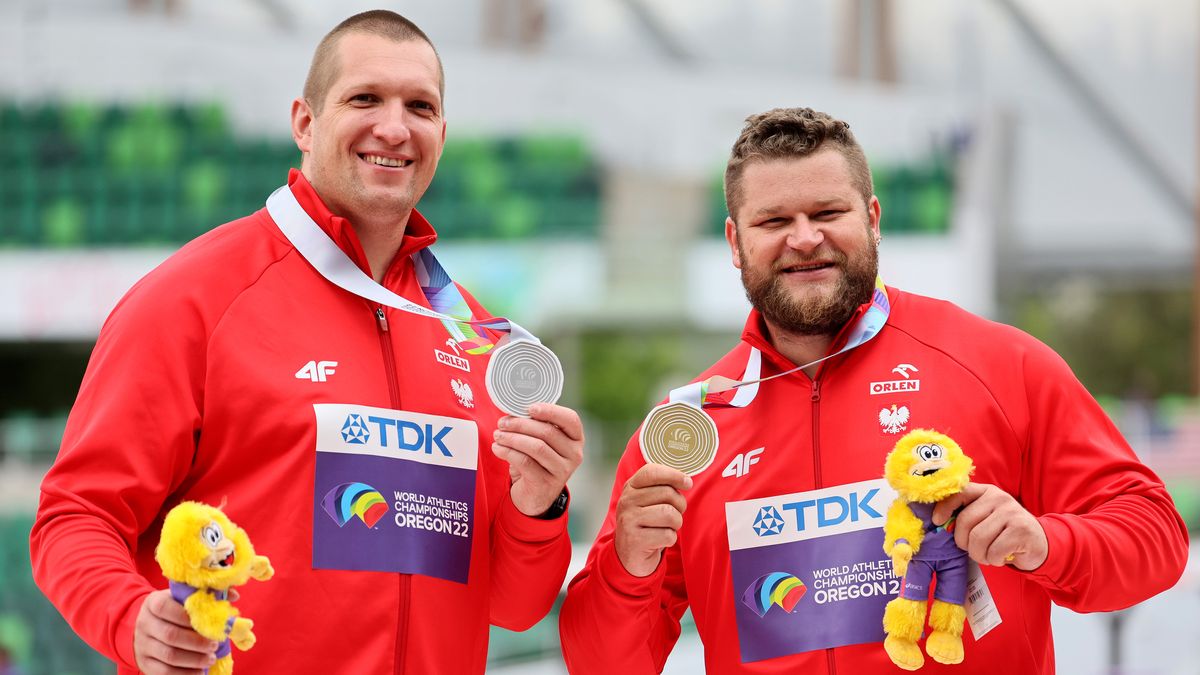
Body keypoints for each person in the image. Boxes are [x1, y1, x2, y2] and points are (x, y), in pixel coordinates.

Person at [31, 11, 583, 675]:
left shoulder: (471, 334)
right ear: (304, 122)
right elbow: (74, 516)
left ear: (441, 133)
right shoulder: (193, 298)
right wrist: (128, 618)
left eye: (420, 106)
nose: (394, 127)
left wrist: (539, 500)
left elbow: (513, 605)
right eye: (364, 98)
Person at [559, 107, 1188, 673]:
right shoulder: (686, 431)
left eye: (828, 213)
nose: (804, 238)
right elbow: (601, 663)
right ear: (734, 242)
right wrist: (629, 569)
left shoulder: (1000, 364)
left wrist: (1046, 543)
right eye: (774, 220)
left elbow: (1156, 538)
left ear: (873, 217)